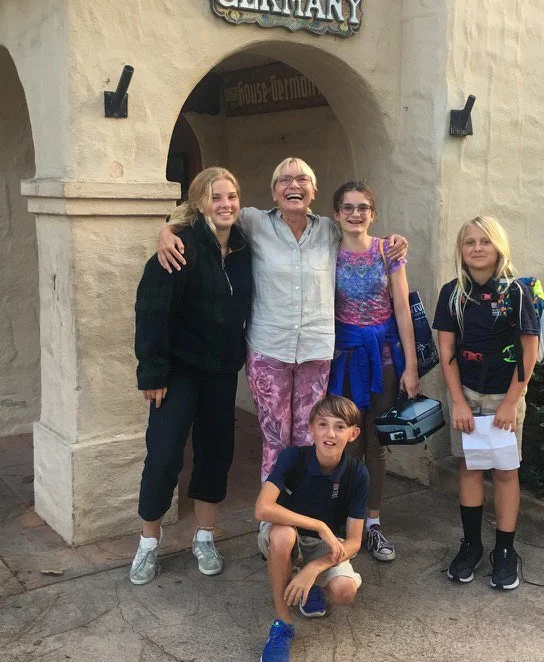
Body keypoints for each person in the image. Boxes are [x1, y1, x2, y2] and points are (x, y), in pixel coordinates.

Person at [157, 157, 406, 484]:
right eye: (284, 180)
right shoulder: (253, 222)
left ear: (313, 191)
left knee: (308, 438)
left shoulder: (329, 230)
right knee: (275, 442)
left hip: (316, 353)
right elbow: (206, 210)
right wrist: (167, 230)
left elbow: (361, 232)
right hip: (268, 352)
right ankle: (271, 512)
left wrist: (393, 240)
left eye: (302, 179)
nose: (294, 185)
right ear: (274, 192)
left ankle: (300, 509)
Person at [130, 167, 252, 585]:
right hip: (178, 372)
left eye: (231, 196)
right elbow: (151, 308)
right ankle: (148, 543)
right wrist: (152, 371)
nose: (226, 204)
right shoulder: (181, 246)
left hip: (221, 372)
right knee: (164, 455)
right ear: (200, 202)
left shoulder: (244, 247)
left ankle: (204, 537)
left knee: (216, 453)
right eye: (216, 197)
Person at [433, 216, 538, 590]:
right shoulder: (452, 293)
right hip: (466, 395)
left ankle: (505, 550)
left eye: (485, 241)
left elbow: (529, 352)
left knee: (506, 472)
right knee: (470, 467)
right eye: (469, 242)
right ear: (460, 250)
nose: (477, 248)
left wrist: (512, 401)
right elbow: (446, 349)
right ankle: (471, 545)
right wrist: (458, 401)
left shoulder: (516, 294)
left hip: (504, 396)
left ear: (499, 247)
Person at [327, 181, 419, 563]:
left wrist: (411, 366)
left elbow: (402, 309)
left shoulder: (388, 252)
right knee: (348, 442)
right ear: (336, 214)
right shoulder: (328, 254)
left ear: (373, 213)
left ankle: (374, 523)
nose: (355, 214)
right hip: (346, 360)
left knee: (376, 444)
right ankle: (347, 521)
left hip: (383, 361)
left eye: (363, 207)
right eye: (347, 207)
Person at [254, 395, 369, 662]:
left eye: (340, 427)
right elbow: (262, 508)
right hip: (287, 534)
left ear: (353, 434)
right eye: (323, 425)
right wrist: (319, 525)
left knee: (345, 590)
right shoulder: (293, 457)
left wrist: (314, 569)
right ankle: (282, 624)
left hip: (321, 545)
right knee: (282, 535)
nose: (330, 434)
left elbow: (354, 542)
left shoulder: (357, 473)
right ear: (311, 428)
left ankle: (310, 587)